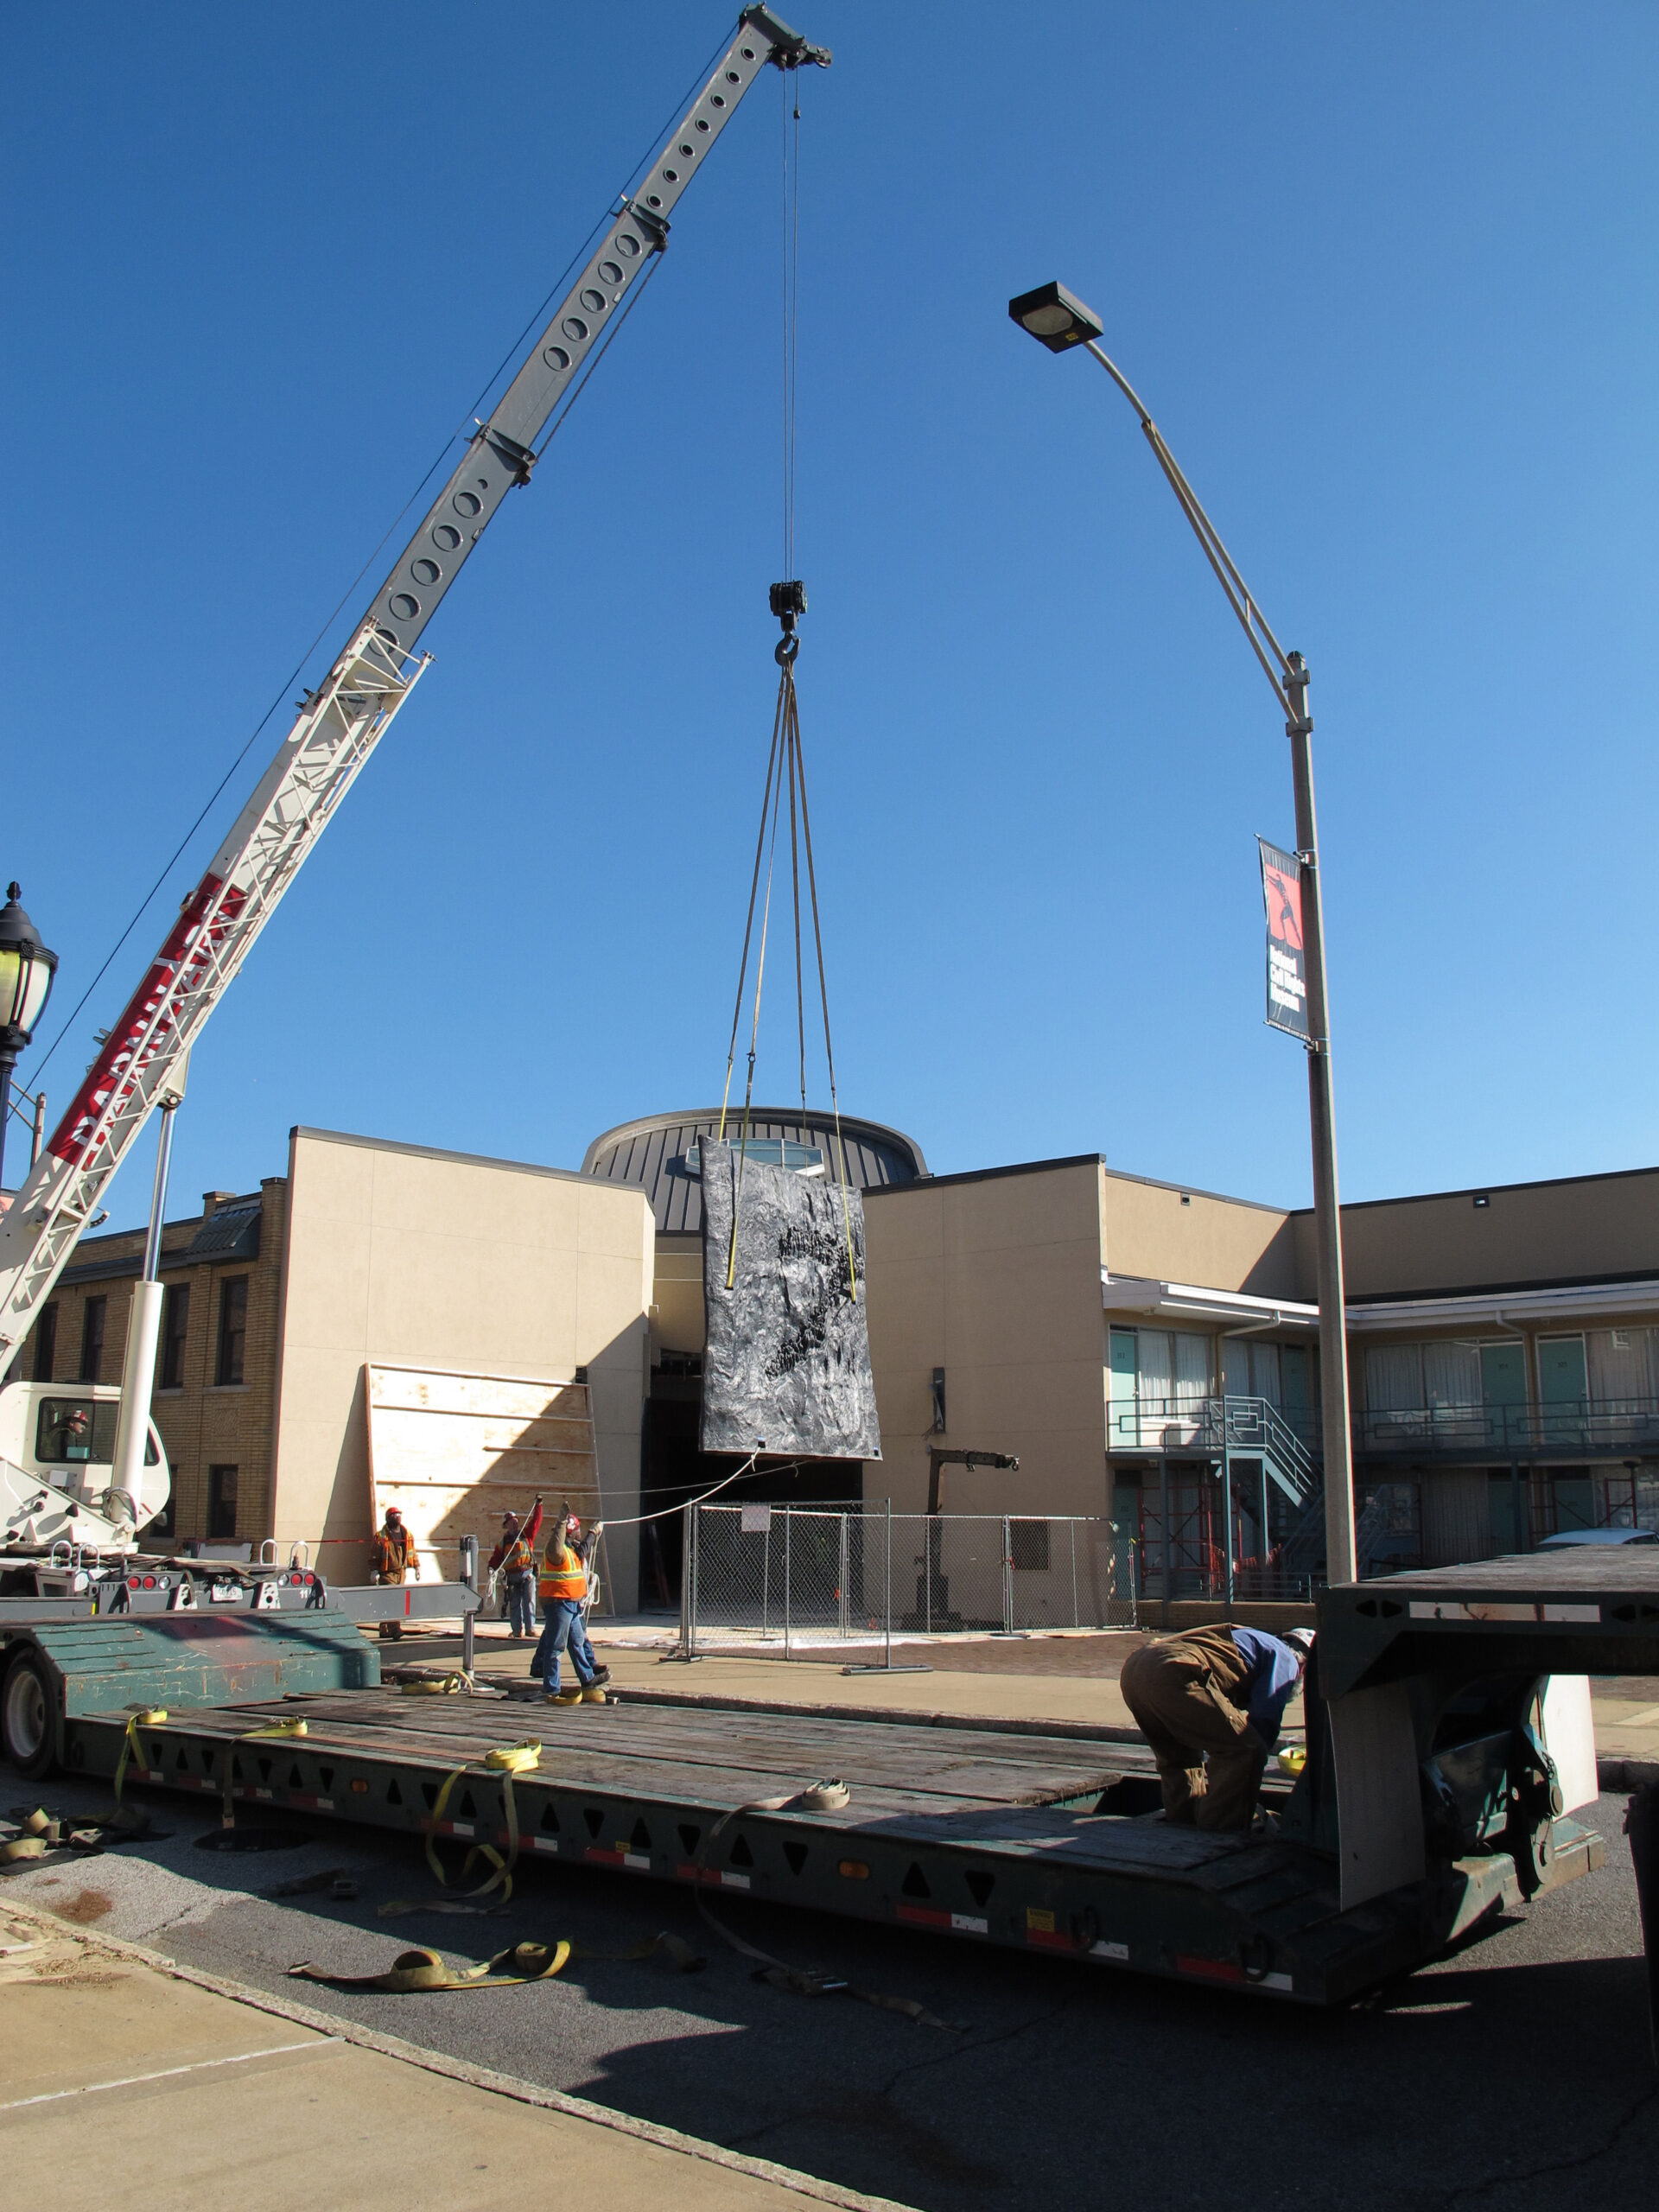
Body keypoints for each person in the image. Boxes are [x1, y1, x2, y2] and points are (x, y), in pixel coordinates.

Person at [1119, 1623, 1314, 1831]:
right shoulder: (1285, 1657)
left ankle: (1182, 1826)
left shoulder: (1255, 1642)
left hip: (1135, 1670)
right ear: (1305, 1665)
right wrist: (1243, 1777)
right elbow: (1264, 1721)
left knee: (1180, 1759)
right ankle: (1217, 1836)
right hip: (1174, 1669)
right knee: (1246, 1751)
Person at [531, 1505, 610, 1705]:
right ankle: (552, 1688)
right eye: (577, 1531)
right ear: (568, 1532)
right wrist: (561, 1522)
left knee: (577, 1643)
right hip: (559, 1603)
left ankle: (587, 1679)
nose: (579, 1535)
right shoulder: (556, 1551)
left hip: (572, 1604)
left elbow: (584, 1548)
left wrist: (593, 1532)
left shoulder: (572, 1552)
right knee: (556, 1647)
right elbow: (556, 1546)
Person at [488, 1497, 543, 1640]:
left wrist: (539, 1506)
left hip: (527, 1574)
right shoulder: (503, 1543)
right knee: (514, 1604)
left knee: (529, 1601)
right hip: (512, 1578)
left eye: (515, 1520)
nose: (514, 1523)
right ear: (506, 1525)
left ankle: (530, 1628)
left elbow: (536, 1522)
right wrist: (491, 1568)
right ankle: (517, 1630)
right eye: (511, 1521)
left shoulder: (526, 1535)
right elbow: (496, 1558)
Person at [369, 1504, 419, 1640]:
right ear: (388, 1519)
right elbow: (374, 1555)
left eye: (399, 1514)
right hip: (387, 1573)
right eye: (394, 1515)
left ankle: (384, 1628)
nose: (397, 1517)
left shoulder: (407, 1534)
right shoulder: (381, 1536)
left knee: (390, 1600)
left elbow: (412, 1552)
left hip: (401, 1573)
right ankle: (395, 1628)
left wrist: (417, 1567)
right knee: (393, 1600)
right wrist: (374, 1571)